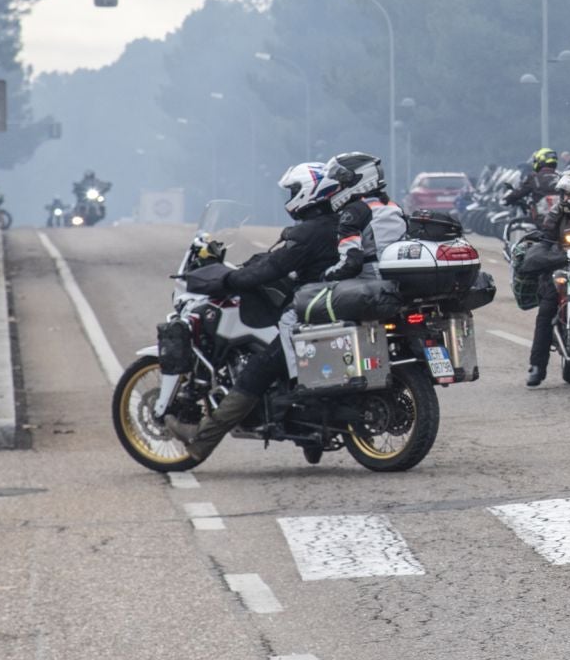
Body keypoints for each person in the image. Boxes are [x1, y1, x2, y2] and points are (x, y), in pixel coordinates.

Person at [164, 162, 355, 464]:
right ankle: (312, 433)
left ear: (309, 191)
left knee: (257, 372)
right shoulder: (340, 223)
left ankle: (201, 441)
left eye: (293, 191)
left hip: (313, 311)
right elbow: (276, 258)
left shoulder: (309, 232)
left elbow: (274, 267)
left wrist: (227, 279)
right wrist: (254, 263)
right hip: (336, 305)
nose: (290, 197)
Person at [525, 167, 570, 387]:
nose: (566, 198)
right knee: (546, 309)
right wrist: (550, 254)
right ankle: (537, 366)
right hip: (563, 265)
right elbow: (546, 239)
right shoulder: (557, 213)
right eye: (565, 193)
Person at [319, 151, 406, 279]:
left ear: (361, 177)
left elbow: (351, 263)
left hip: (369, 284)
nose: (340, 186)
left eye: (343, 181)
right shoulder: (393, 206)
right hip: (398, 280)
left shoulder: (354, 211)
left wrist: (325, 276)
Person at [505, 148, 562, 214]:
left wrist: (507, 200)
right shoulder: (561, 177)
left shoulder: (534, 177)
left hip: (540, 218)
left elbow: (519, 193)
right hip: (561, 218)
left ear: (540, 160)